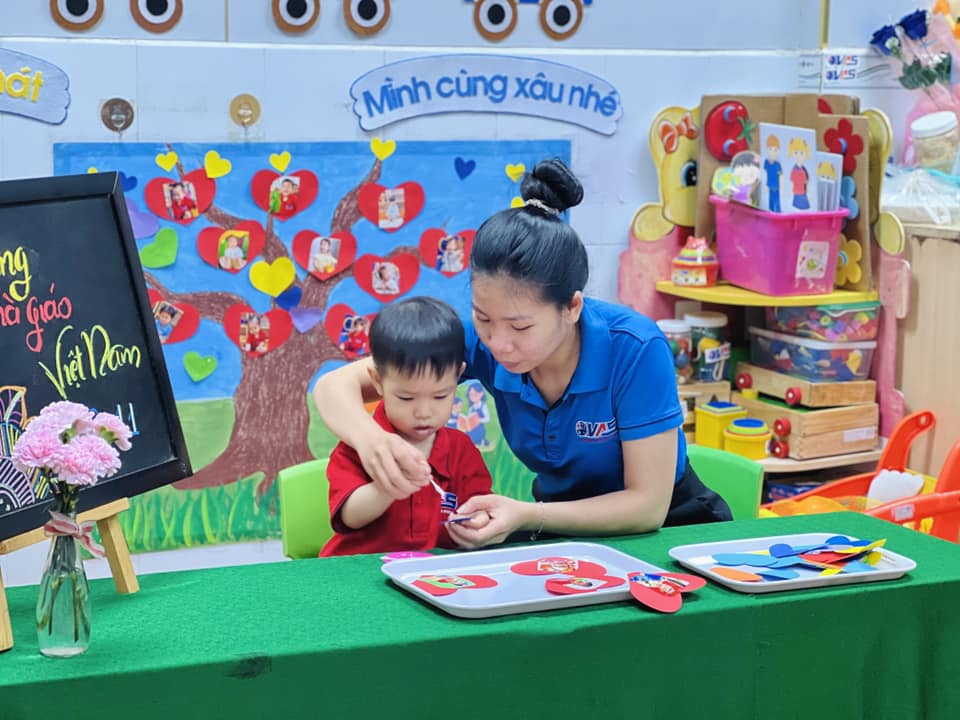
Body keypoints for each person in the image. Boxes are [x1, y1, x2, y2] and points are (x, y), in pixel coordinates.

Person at [312, 158, 731, 551]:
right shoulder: (479, 342)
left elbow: (647, 506)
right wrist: (372, 442)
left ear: (572, 308)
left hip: (668, 530)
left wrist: (529, 515)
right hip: (559, 529)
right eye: (483, 318)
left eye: (520, 327)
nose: (498, 343)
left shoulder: (634, 349)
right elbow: (334, 386)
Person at [320, 297, 493, 557]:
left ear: (458, 376)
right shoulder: (360, 443)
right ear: (377, 381)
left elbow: (479, 504)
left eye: (440, 396)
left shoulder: (460, 449)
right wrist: (386, 488)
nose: (423, 412)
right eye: (406, 398)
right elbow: (350, 516)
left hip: (433, 572)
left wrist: (478, 520)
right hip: (360, 569)